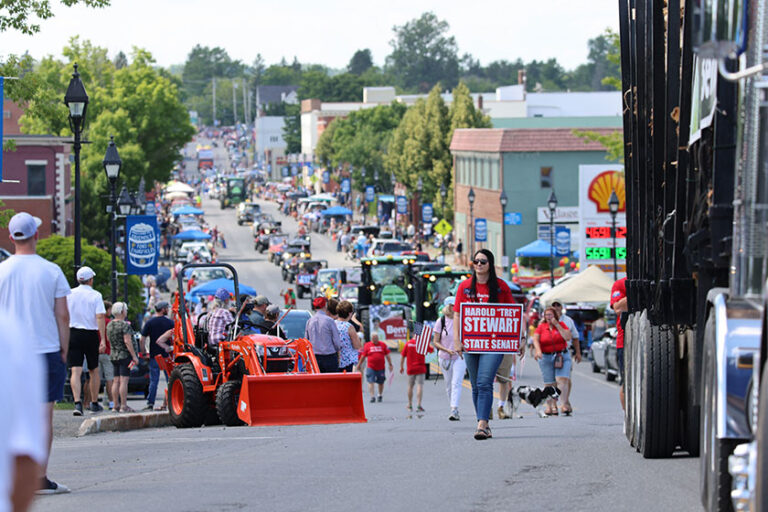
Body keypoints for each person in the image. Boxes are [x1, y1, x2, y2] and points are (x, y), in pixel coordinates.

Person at [0, 212, 70, 495]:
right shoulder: (51, 271)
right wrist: (64, 346)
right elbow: (63, 315)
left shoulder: (2, 271)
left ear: (10, 237)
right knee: (43, 415)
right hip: (45, 349)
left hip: (9, 351)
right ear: (36, 235)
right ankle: (39, 477)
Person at [453, 249, 516, 440]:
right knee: (475, 385)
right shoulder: (464, 286)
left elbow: (513, 313)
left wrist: (519, 339)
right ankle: (482, 418)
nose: (479, 264)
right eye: (476, 261)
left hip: (494, 343)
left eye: (483, 261)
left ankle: (483, 424)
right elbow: (457, 314)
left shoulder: (501, 287)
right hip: (471, 342)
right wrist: (457, 339)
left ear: (490, 264)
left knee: (484, 382)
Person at [67, 266, 107, 416]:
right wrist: (102, 339)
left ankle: (77, 403)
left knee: (75, 370)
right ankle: (94, 402)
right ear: (90, 280)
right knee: (93, 370)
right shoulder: (96, 295)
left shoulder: (69, 293)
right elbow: (100, 317)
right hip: (90, 333)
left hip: (73, 332)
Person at [532, 307, 573, 415]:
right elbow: (535, 339)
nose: (549, 317)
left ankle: (563, 404)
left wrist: (557, 325)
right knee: (549, 383)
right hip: (546, 356)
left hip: (561, 355)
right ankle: (550, 406)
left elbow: (568, 337)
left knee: (562, 380)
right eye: (547, 315)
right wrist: (538, 350)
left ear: (555, 316)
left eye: (551, 315)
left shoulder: (562, 325)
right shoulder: (541, 327)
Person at [432, 297, 465, 421]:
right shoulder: (441, 321)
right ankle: (452, 405)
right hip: (445, 356)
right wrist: (446, 350)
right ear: (447, 306)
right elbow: (436, 341)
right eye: (452, 305)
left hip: (460, 356)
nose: (454, 307)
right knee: (449, 385)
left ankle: (454, 409)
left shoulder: (462, 320)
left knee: (456, 382)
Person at [139, 301, 174, 411]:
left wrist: (143, 352)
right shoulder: (170, 323)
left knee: (154, 380)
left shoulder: (150, 322)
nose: (167, 310)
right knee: (170, 380)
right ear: (163, 309)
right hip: (167, 354)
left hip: (154, 355)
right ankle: (169, 402)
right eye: (166, 308)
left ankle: (150, 403)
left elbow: (142, 339)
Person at [106, 302, 139, 413]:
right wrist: (134, 356)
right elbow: (127, 341)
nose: (126, 312)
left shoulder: (109, 325)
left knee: (116, 381)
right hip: (124, 355)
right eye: (126, 310)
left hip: (114, 354)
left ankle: (115, 405)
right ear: (122, 311)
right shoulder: (125, 325)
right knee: (124, 381)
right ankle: (123, 406)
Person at [551, 300, 582, 414]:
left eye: (558, 305)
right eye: (553, 305)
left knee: (565, 379)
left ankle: (564, 402)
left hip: (564, 352)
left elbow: (575, 337)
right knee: (552, 380)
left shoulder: (568, 321)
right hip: (549, 353)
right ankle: (554, 404)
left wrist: (578, 353)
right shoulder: (545, 320)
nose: (556, 307)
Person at [304, 296, 343, 373]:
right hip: (329, 357)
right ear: (325, 306)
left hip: (315, 357)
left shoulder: (309, 321)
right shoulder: (329, 321)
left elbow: (306, 341)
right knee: (332, 382)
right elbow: (337, 343)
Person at [400, 333, 433, 412]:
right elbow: (432, 350)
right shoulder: (423, 344)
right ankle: (419, 405)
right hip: (421, 368)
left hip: (411, 368)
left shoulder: (408, 344)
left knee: (410, 386)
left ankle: (410, 404)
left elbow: (403, 356)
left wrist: (401, 367)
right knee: (420, 385)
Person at [358, 333, 394, 402]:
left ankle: (380, 395)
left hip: (381, 367)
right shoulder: (367, 345)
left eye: (376, 338)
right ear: (371, 339)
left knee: (381, 382)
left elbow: (387, 355)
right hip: (371, 367)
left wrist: (390, 364)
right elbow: (363, 356)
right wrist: (359, 364)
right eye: (374, 338)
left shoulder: (382, 345)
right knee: (370, 381)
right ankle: (372, 396)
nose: (375, 340)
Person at [610, 277, 628, 410]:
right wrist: (633, 292)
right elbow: (617, 307)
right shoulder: (620, 283)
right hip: (624, 342)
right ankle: (627, 416)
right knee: (626, 382)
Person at [334, 300, 362, 372]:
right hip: (346, 362)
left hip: (335, 359)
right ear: (350, 313)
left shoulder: (333, 323)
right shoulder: (349, 327)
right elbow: (357, 346)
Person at [99, 300, 115, 411]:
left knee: (94, 378)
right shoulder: (109, 322)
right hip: (108, 352)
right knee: (110, 379)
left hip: (95, 352)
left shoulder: (95, 322)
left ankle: (92, 401)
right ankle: (111, 402)